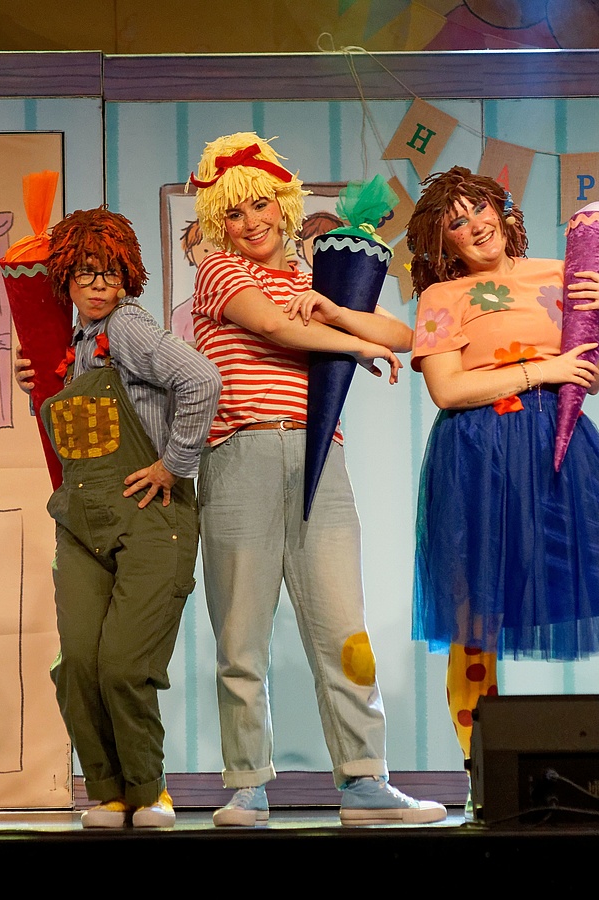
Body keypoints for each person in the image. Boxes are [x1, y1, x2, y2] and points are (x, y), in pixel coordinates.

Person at [189, 130, 447, 827]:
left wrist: (340, 313)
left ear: (284, 203)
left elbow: (405, 336)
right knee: (241, 631)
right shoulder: (218, 270)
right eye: (234, 213)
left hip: (318, 456)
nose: (251, 223)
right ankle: (247, 783)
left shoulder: (316, 275)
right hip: (240, 452)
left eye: (260, 205)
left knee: (343, 628)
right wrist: (354, 345)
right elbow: (276, 329)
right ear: (218, 223)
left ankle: (365, 781)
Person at [15, 207, 222, 828]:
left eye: (109, 272)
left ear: (127, 276)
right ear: (65, 279)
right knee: (79, 663)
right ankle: (107, 791)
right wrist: (39, 381)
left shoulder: (127, 327)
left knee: (125, 665)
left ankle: (148, 789)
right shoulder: (73, 345)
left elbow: (201, 379)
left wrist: (173, 465)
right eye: (84, 273)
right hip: (84, 523)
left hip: (149, 520)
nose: (98, 285)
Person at [406, 166, 599, 792]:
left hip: (558, 447)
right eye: (455, 223)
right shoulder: (441, 298)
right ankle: (482, 774)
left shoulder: (563, 275)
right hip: (478, 455)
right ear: (444, 242)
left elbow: (589, 366)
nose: (474, 226)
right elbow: (448, 390)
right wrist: (543, 371)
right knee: (474, 617)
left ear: (503, 210)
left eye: (479, 209)